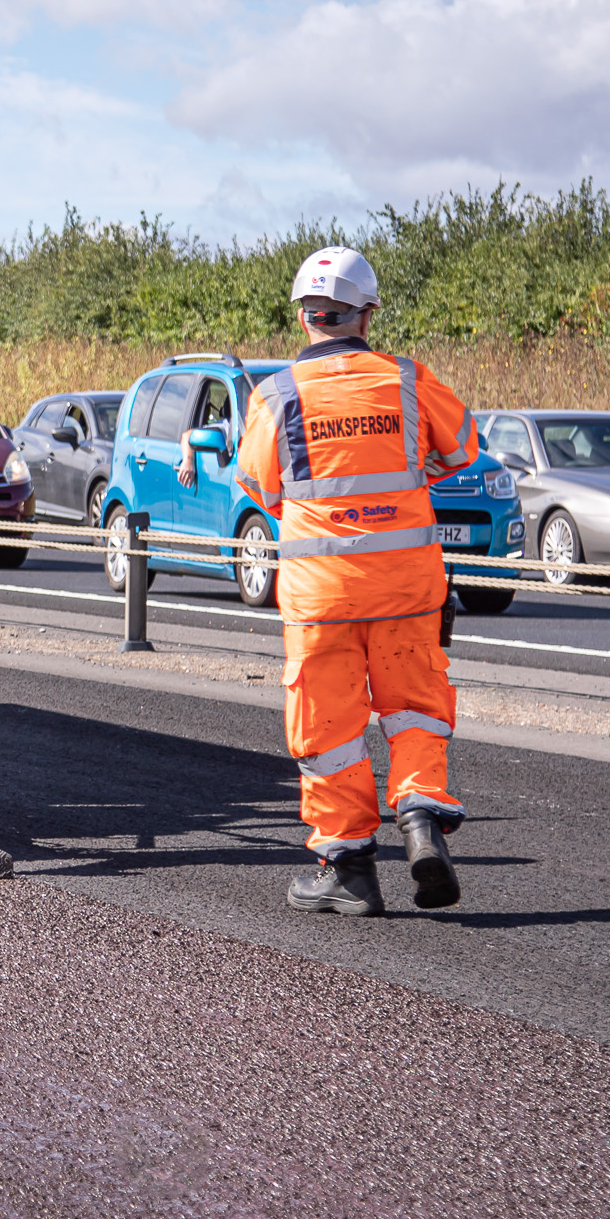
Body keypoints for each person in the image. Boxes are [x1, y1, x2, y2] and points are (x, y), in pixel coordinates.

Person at [234, 246, 476, 916]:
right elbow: (463, 451)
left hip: (321, 594)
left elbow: (258, 485)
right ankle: (421, 815)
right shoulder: (406, 379)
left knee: (330, 727)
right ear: (367, 313)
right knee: (415, 707)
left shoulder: (276, 394)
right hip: (406, 586)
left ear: (306, 317)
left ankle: (347, 866)